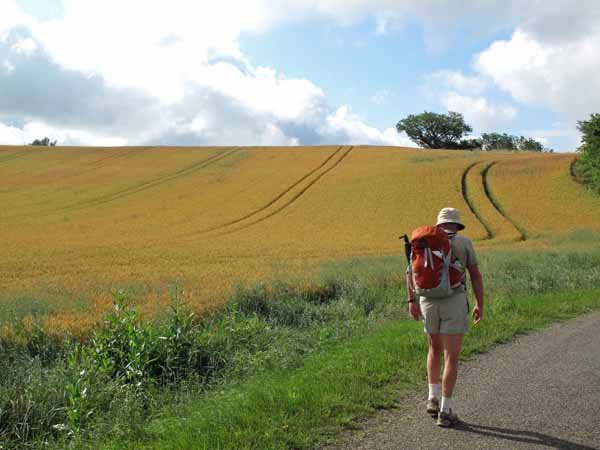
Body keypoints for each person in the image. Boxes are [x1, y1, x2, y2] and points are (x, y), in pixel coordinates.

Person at [407, 207, 484, 427]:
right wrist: (480, 304)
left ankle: (432, 397)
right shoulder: (464, 243)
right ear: (457, 226)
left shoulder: (422, 241)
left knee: (434, 349)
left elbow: (410, 272)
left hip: (427, 301)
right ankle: (445, 410)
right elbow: (475, 276)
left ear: (439, 225)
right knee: (452, 356)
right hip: (454, 301)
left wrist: (412, 301)